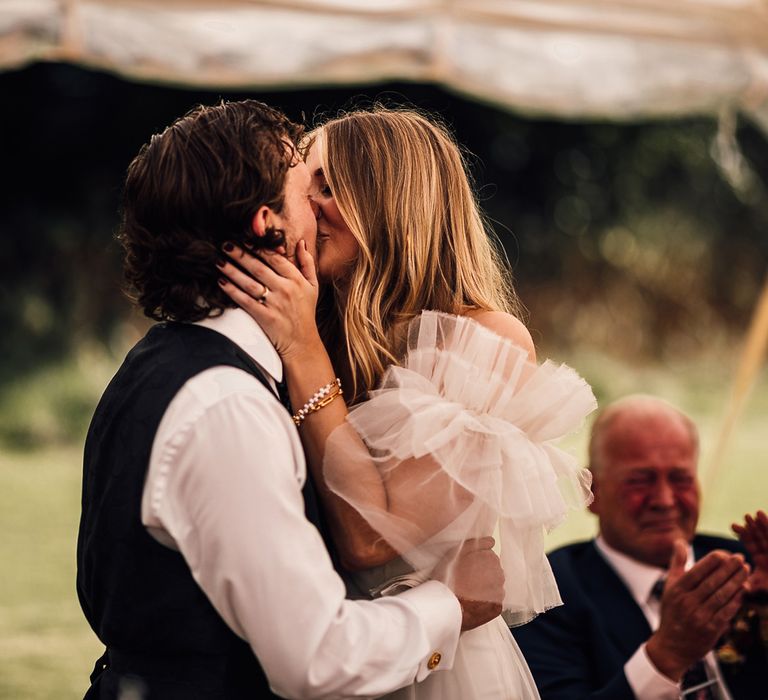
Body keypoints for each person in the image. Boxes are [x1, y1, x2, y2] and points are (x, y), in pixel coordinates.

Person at [76, 100, 509, 700]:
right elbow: (316, 657)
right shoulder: (227, 404)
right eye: (309, 186)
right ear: (268, 223)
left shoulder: (162, 363)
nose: (320, 205)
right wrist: (450, 605)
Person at [217, 107, 598, 699]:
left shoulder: (484, 339)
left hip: (436, 669)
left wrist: (304, 351)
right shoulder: (314, 323)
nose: (306, 205)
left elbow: (373, 539)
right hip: (312, 649)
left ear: (392, 201)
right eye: (302, 185)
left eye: (328, 185)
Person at [512, 394, 768, 699]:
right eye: (640, 481)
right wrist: (666, 655)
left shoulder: (743, 564)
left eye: (680, 478)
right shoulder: (546, 595)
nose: (664, 500)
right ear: (593, 492)